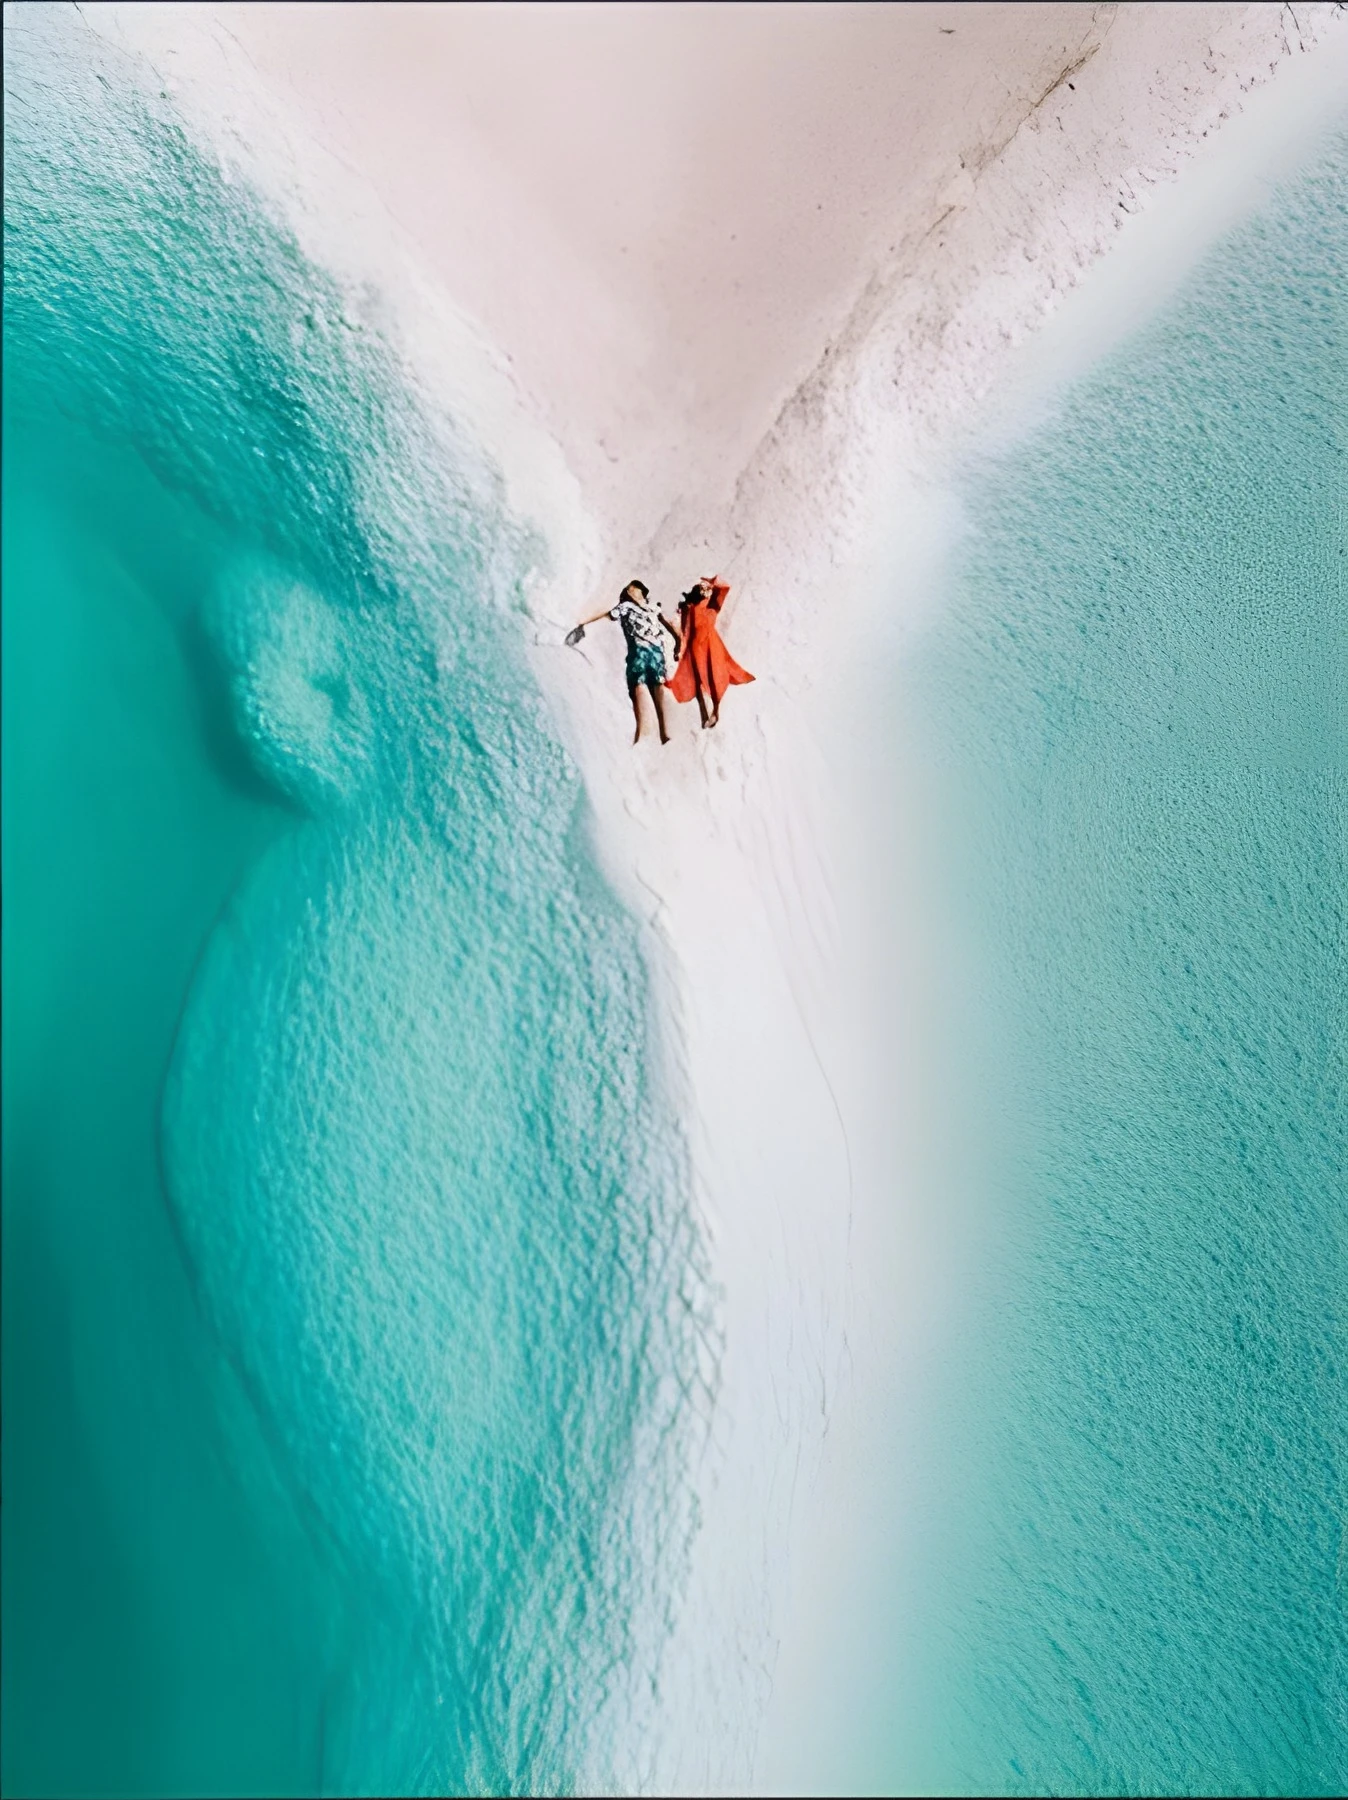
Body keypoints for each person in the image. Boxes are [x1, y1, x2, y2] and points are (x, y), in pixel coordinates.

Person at [567, 580, 681, 744]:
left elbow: (668, 627)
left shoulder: (654, 608)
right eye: (627, 589)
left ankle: (663, 732)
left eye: (632, 588)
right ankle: (641, 735)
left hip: (656, 652)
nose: (628, 590)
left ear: (641, 591)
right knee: (640, 689)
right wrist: (584, 626)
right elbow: (607, 616)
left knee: (658, 689)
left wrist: (677, 643)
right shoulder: (625, 607)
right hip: (638, 651)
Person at [667, 574, 754, 728]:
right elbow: (685, 631)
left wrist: (711, 581)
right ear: (696, 592)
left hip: (710, 645)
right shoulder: (690, 608)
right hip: (698, 647)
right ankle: (708, 714)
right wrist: (681, 648)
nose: (706, 591)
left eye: (706, 589)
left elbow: (724, 588)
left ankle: (714, 711)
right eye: (702, 589)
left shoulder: (710, 606)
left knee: (711, 676)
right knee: (699, 679)